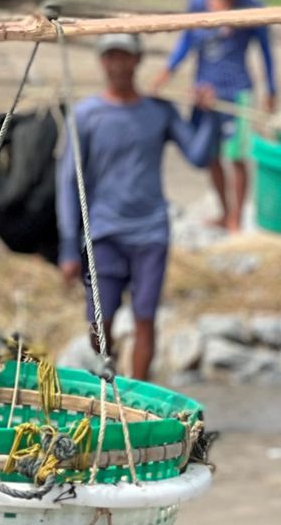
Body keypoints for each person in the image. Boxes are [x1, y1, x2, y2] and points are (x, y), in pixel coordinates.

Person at [59, 33, 219, 382]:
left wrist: (204, 117)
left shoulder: (158, 111)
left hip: (150, 232)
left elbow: (199, 155)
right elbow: (68, 181)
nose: (117, 64)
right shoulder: (86, 116)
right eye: (110, 56)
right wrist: (69, 248)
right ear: (102, 62)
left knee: (145, 317)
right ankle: (105, 379)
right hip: (103, 231)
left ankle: (137, 398)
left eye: (124, 56)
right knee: (100, 319)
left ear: (137, 60)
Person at [156, 0, 277, 231]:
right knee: (210, 156)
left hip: (238, 92)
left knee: (237, 156)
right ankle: (224, 211)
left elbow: (267, 52)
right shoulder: (197, 2)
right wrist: (168, 70)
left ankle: (236, 217)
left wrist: (271, 89)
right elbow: (186, 40)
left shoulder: (251, 6)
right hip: (204, 93)